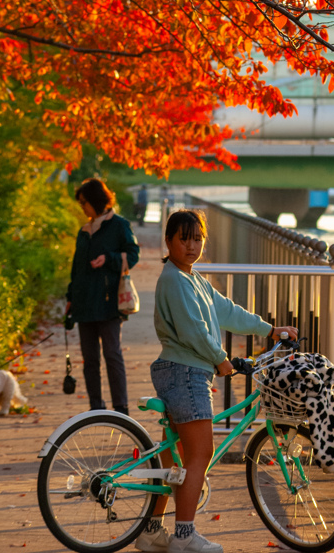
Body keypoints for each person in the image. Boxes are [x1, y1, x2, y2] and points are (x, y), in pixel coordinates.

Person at [137, 209, 298, 553]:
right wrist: (221, 360)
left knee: (176, 457)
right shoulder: (175, 281)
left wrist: (270, 330)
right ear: (169, 241)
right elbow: (194, 331)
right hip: (186, 372)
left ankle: (152, 531)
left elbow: (227, 311)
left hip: (183, 370)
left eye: (198, 239)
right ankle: (184, 536)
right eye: (184, 239)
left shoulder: (192, 278)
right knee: (201, 454)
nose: (192, 246)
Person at [65, 177, 140, 415]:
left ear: (96, 200)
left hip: (109, 302)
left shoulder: (119, 225)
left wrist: (109, 259)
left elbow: (133, 254)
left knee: (112, 354)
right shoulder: (84, 230)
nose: (83, 207)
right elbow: (76, 268)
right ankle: (96, 407)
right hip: (84, 303)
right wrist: (70, 298)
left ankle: (121, 409)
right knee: (90, 360)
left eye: (84, 202)